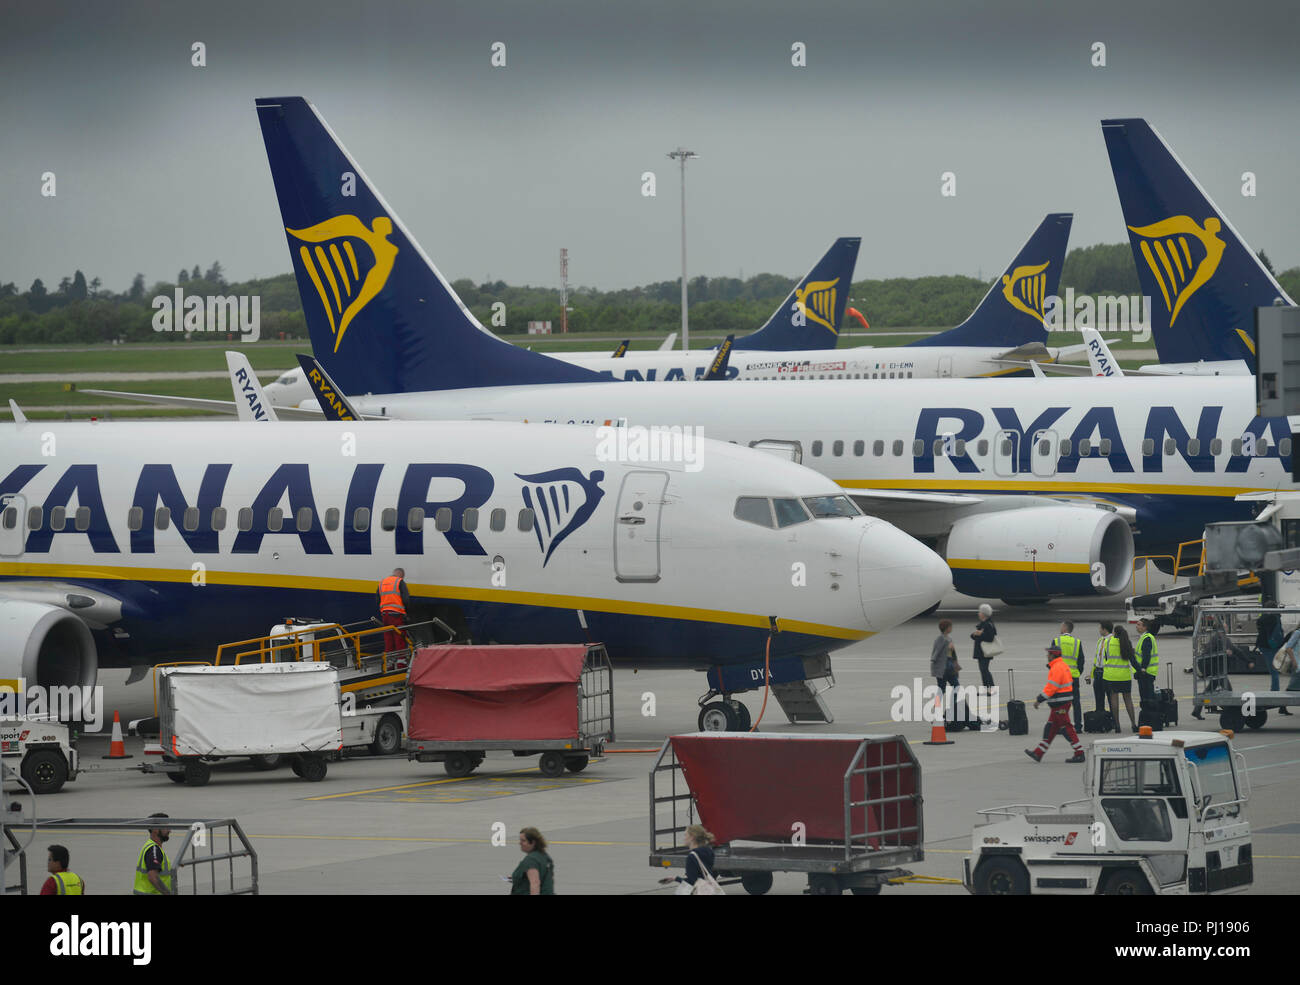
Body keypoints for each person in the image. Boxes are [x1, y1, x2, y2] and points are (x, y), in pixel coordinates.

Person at [1025, 646, 1086, 763]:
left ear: (1053, 655)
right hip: (1059, 703)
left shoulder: (1057, 668)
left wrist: (1039, 699)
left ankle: (1079, 753)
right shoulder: (1062, 665)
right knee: (1050, 728)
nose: (1047, 656)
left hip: (1060, 703)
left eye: (1048, 654)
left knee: (1066, 728)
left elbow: (1052, 687)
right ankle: (1038, 753)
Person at [659, 824, 718, 894]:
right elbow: (712, 873)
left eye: (685, 835)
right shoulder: (709, 851)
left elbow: (691, 882)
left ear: (692, 837)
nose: (684, 838)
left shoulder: (692, 856)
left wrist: (675, 878)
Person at [1257, 602, 1292, 713]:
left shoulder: (1264, 618)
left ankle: (1277, 698)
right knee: (1275, 672)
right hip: (1273, 646)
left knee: (1275, 672)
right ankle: (1276, 697)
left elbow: (1259, 624)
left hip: (1267, 647)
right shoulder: (1275, 617)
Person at [1105, 625, 1139, 734]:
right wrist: (1140, 669)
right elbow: (1133, 660)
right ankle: (1133, 724)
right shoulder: (1127, 643)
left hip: (1111, 675)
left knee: (1114, 700)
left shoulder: (1108, 642)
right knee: (1128, 700)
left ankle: (1117, 726)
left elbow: (1106, 657)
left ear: (1114, 633)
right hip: (1124, 676)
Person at [1053, 620, 1085, 732]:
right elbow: (1081, 660)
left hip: (1060, 677)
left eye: (1061, 626)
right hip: (1073, 676)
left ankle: (1061, 726)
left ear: (1064, 628)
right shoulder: (1077, 642)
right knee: (1076, 702)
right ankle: (1078, 726)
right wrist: (1077, 672)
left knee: (1061, 703)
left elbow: (1052, 659)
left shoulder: (1056, 641)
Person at [133, 813, 173, 895]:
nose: (170, 830)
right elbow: (152, 877)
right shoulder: (154, 849)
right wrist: (167, 893)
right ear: (155, 829)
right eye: (166, 827)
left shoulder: (152, 847)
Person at [376, 567, 411, 654]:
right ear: (401, 575)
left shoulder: (382, 583)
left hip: (385, 615)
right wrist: (407, 613)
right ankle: (401, 663)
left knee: (388, 639)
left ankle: (389, 663)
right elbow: (406, 600)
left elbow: (377, 599)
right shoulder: (399, 582)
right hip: (397, 615)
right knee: (400, 639)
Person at [511, 827, 555, 895]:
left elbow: (535, 884)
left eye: (523, 840)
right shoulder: (545, 857)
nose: (520, 843)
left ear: (533, 842)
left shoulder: (531, 860)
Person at [1087, 621, 1113, 716]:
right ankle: (1101, 719)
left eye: (1100, 628)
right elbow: (1097, 659)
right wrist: (1091, 674)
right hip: (1098, 672)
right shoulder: (1100, 640)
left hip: (1107, 673)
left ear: (1104, 629)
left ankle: (1114, 720)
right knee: (1098, 698)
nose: (1099, 630)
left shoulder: (1112, 640)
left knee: (1111, 699)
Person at [1134, 618, 1160, 707]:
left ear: (1145, 627)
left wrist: (1143, 668)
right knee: (1147, 697)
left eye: (1138, 624)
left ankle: (1149, 716)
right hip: (1147, 672)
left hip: (1146, 673)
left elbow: (1146, 655)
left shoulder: (1147, 638)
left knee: (1147, 698)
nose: (1136, 626)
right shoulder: (1144, 638)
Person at [970, 603, 997, 690]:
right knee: (983, 670)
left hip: (985, 651)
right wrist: (976, 634)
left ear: (984, 614)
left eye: (980, 612)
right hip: (981, 651)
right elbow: (973, 636)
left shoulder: (988, 625)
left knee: (984, 670)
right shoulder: (983, 624)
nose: (978, 613)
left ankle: (992, 689)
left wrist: (980, 634)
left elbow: (990, 638)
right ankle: (986, 689)